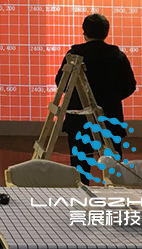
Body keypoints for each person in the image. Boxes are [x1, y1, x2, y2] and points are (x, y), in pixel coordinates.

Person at [55, 13, 136, 184]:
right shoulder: (117, 56)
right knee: (114, 170)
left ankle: (81, 198)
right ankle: (115, 198)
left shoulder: (74, 55)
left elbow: (61, 83)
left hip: (78, 119)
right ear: (106, 32)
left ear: (84, 32)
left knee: (80, 172)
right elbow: (129, 86)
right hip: (109, 117)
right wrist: (111, 98)